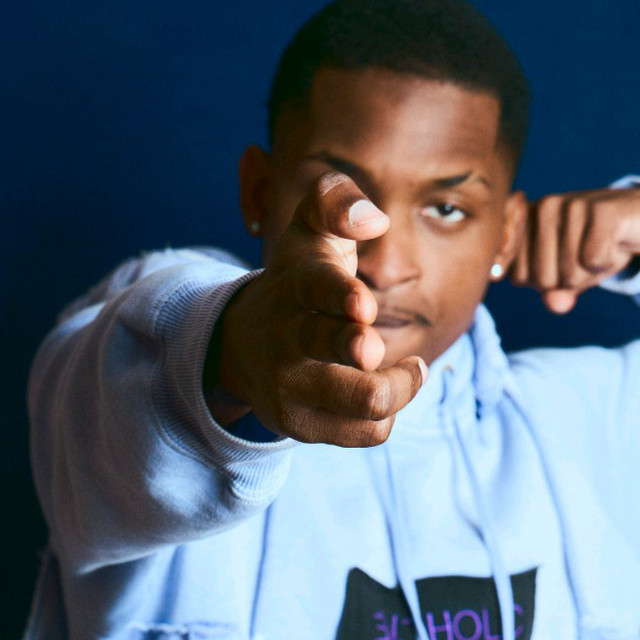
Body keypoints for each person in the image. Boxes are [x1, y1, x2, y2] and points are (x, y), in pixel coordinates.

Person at [24, 0, 640, 638]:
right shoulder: (134, 369)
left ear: (506, 233)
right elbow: (134, 360)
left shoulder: (594, 420)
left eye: (446, 209)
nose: (386, 264)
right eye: (344, 194)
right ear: (260, 192)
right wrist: (232, 357)